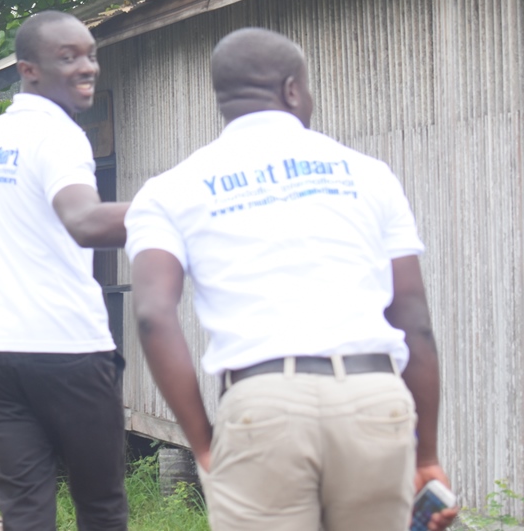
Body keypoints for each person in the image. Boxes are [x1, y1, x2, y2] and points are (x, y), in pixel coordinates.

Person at [124, 27, 458, 531]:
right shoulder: (368, 174)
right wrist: (426, 456)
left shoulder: (170, 190)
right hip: (373, 399)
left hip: (263, 405)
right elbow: (413, 316)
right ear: (293, 89)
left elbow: (152, 315)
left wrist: (203, 441)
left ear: (224, 98)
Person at [0, 10, 130, 530]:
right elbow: (84, 222)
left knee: (25, 509)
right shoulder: (59, 137)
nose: (87, 67)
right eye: (68, 57)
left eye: (91, 55)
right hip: (68, 351)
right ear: (28, 69)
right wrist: (185, 205)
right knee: (100, 504)